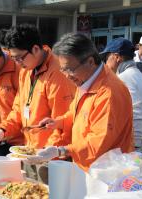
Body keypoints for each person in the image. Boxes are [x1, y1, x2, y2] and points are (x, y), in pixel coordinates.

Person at [32, 33, 134, 172]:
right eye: (62, 69)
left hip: (106, 173)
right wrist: (59, 122)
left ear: (90, 62)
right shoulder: (86, 81)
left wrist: (61, 151)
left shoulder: (109, 93)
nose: (66, 75)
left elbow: (98, 143)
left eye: (69, 69)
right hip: (87, 167)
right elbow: (78, 114)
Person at [0, 24, 76, 150]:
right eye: (13, 58)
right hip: (31, 149)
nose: (17, 63)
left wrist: (50, 153)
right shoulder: (26, 70)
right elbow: (18, 109)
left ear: (35, 49)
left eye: (19, 58)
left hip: (50, 153)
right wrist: (3, 130)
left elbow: (61, 124)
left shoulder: (58, 73)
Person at [102, 37, 142, 188]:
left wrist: (132, 153)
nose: (105, 63)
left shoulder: (124, 78)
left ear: (116, 57)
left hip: (140, 148)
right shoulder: (141, 78)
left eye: (106, 57)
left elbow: (137, 115)